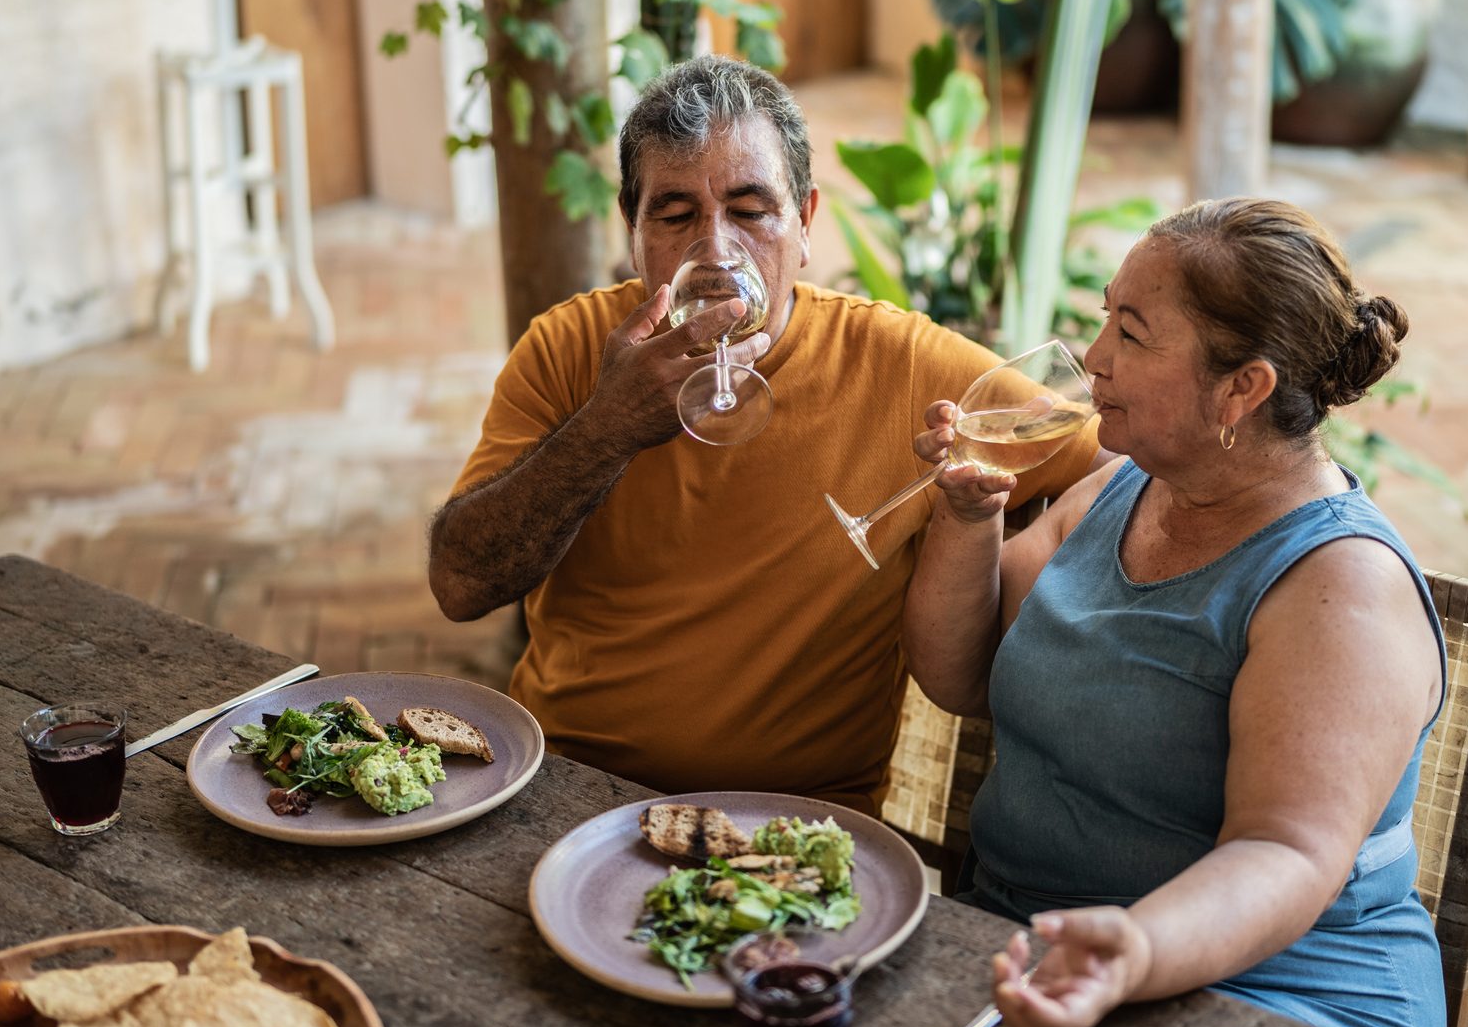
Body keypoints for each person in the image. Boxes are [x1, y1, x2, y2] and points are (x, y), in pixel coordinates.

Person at [429, 54, 1101, 816]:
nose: (715, 252)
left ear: (806, 223)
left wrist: (992, 549)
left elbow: (1117, 460)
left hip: (803, 817)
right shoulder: (569, 348)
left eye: (751, 212)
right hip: (570, 791)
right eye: (676, 216)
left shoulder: (903, 364)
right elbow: (461, 587)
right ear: (633, 230)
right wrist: (607, 428)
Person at [902, 196, 1448, 1027]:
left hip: (1281, 990)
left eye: (1132, 331)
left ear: (1244, 387)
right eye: (1104, 317)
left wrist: (1137, 952)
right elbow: (956, 673)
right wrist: (968, 520)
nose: (1093, 357)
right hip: (1034, 945)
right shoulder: (1122, 484)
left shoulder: (1341, 587)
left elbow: (1286, 853)